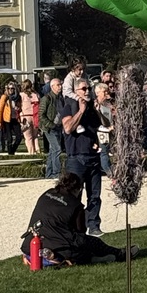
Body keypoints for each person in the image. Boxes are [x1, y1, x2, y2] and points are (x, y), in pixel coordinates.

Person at [21, 172, 139, 266]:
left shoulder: (47, 194)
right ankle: (118, 254)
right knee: (89, 243)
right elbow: (80, 231)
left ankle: (99, 257)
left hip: (30, 245)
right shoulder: (75, 205)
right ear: (77, 189)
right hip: (57, 248)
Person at [60, 76, 104, 236]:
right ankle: (73, 227)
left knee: (95, 195)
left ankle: (93, 225)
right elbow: (67, 128)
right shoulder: (68, 106)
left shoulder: (93, 107)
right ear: (76, 91)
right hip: (76, 158)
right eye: (83, 89)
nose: (87, 92)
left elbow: (103, 125)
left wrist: (98, 111)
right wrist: (81, 111)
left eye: (88, 89)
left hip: (93, 157)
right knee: (73, 195)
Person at [39, 77, 64, 179]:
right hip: (49, 128)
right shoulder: (46, 98)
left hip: (58, 127)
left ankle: (48, 174)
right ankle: (56, 173)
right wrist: (51, 125)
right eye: (58, 85)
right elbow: (41, 115)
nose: (60, 87)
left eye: (60, 84)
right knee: (57, 149)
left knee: (52, 151)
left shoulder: (60, 98)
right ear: (52, 86)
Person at [0, 80, 22, 155]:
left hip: (15, 119)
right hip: (7, 119)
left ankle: (12, 150)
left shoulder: (18, 97)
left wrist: (19, 109)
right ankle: (9, 153)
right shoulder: (4, 97)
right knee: (9, 138)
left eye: (12, 88)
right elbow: (0, 109)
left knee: (19, 137)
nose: (10, 90)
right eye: (9, 88)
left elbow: (20, 107)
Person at [94, 81, 114, 174]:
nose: (107, 93)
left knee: (107, 152)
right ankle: (109, 172)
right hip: (101, 131)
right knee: (104, 153)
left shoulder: (108, 104)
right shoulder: (96, 104)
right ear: (97, 93)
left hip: (110, 130)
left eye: (107, 91)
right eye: (104, 92)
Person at [19, 79, 40, 156]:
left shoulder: (21, 95)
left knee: (28, 137)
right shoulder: (36, 94)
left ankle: (31, 153)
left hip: (25, 117)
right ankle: (38, 151)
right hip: (35, 116)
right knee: (35, 136)